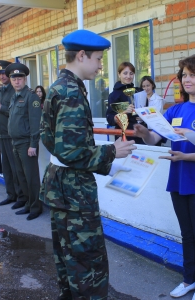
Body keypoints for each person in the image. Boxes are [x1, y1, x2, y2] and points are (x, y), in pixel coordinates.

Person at [39, 29, 136, 299]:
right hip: (74, 194)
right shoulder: (70, 92)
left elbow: (49, 139)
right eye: (98, 59)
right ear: (81, 56)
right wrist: (111, 152)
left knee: (68, 258)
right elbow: (70, 151)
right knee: (87, 262)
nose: (101, 65)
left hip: (61, 187)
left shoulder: (60, 86)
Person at [134, 54, 195, 300]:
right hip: (178, 180)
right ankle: (189, 279)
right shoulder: (174, 109)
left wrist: (186, 156)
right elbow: (155, 139)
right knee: (186, 234)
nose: (187, 79)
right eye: (184, 75)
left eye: (192, 75)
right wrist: (143, 131)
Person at [5, 62, 43, 221]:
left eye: (19, 78)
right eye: (13, 78)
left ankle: (36, 207)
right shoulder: (15, 96)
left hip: (27, 143)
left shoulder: (31, 96)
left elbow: (35, 122)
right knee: (21, 176)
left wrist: (33, 144)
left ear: (25, 79)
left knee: (31, 177)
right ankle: (28, 203)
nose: (16, 81)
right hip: (15, 142)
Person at [0, 60, 26, 208]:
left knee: (16, 167)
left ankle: (21, 197)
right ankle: (11, 194)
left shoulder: (14, 91)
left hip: (12, 134)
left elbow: (18, 112)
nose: (2, 76)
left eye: (4, 73)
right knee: (6, 167)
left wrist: (1, 107)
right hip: (2, 133)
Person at [106, 62, 144, 144]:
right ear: (119, 74)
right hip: (124, 137)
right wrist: (124, 112)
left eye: (131, 73)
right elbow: (110, 118)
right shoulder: (114, 95)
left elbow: (146, 109)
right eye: (125, 73)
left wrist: (143, 117)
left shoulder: (139, 91)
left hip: (141, 135)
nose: (128, 76)